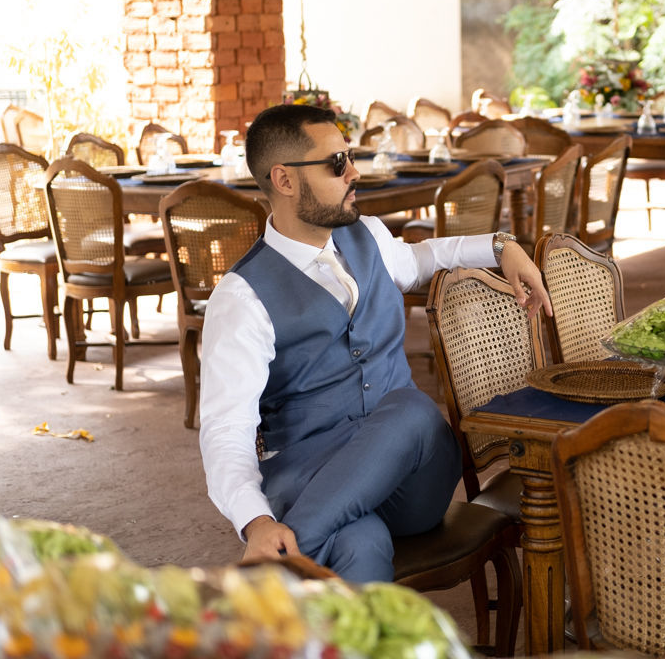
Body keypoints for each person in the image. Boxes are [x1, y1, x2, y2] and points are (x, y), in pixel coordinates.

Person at [198, 104, 552, 582]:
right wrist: (256, 521)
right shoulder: (241, 296)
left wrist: (500, 245)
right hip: (306, 475)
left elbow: (424, 257)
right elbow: (225, 428)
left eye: (351, 156)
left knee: (412, 412)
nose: (354, 172)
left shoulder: (368, 236)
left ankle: (260, 581)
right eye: (337, 163)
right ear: (284, 180)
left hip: (413, 481)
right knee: (360, 542)